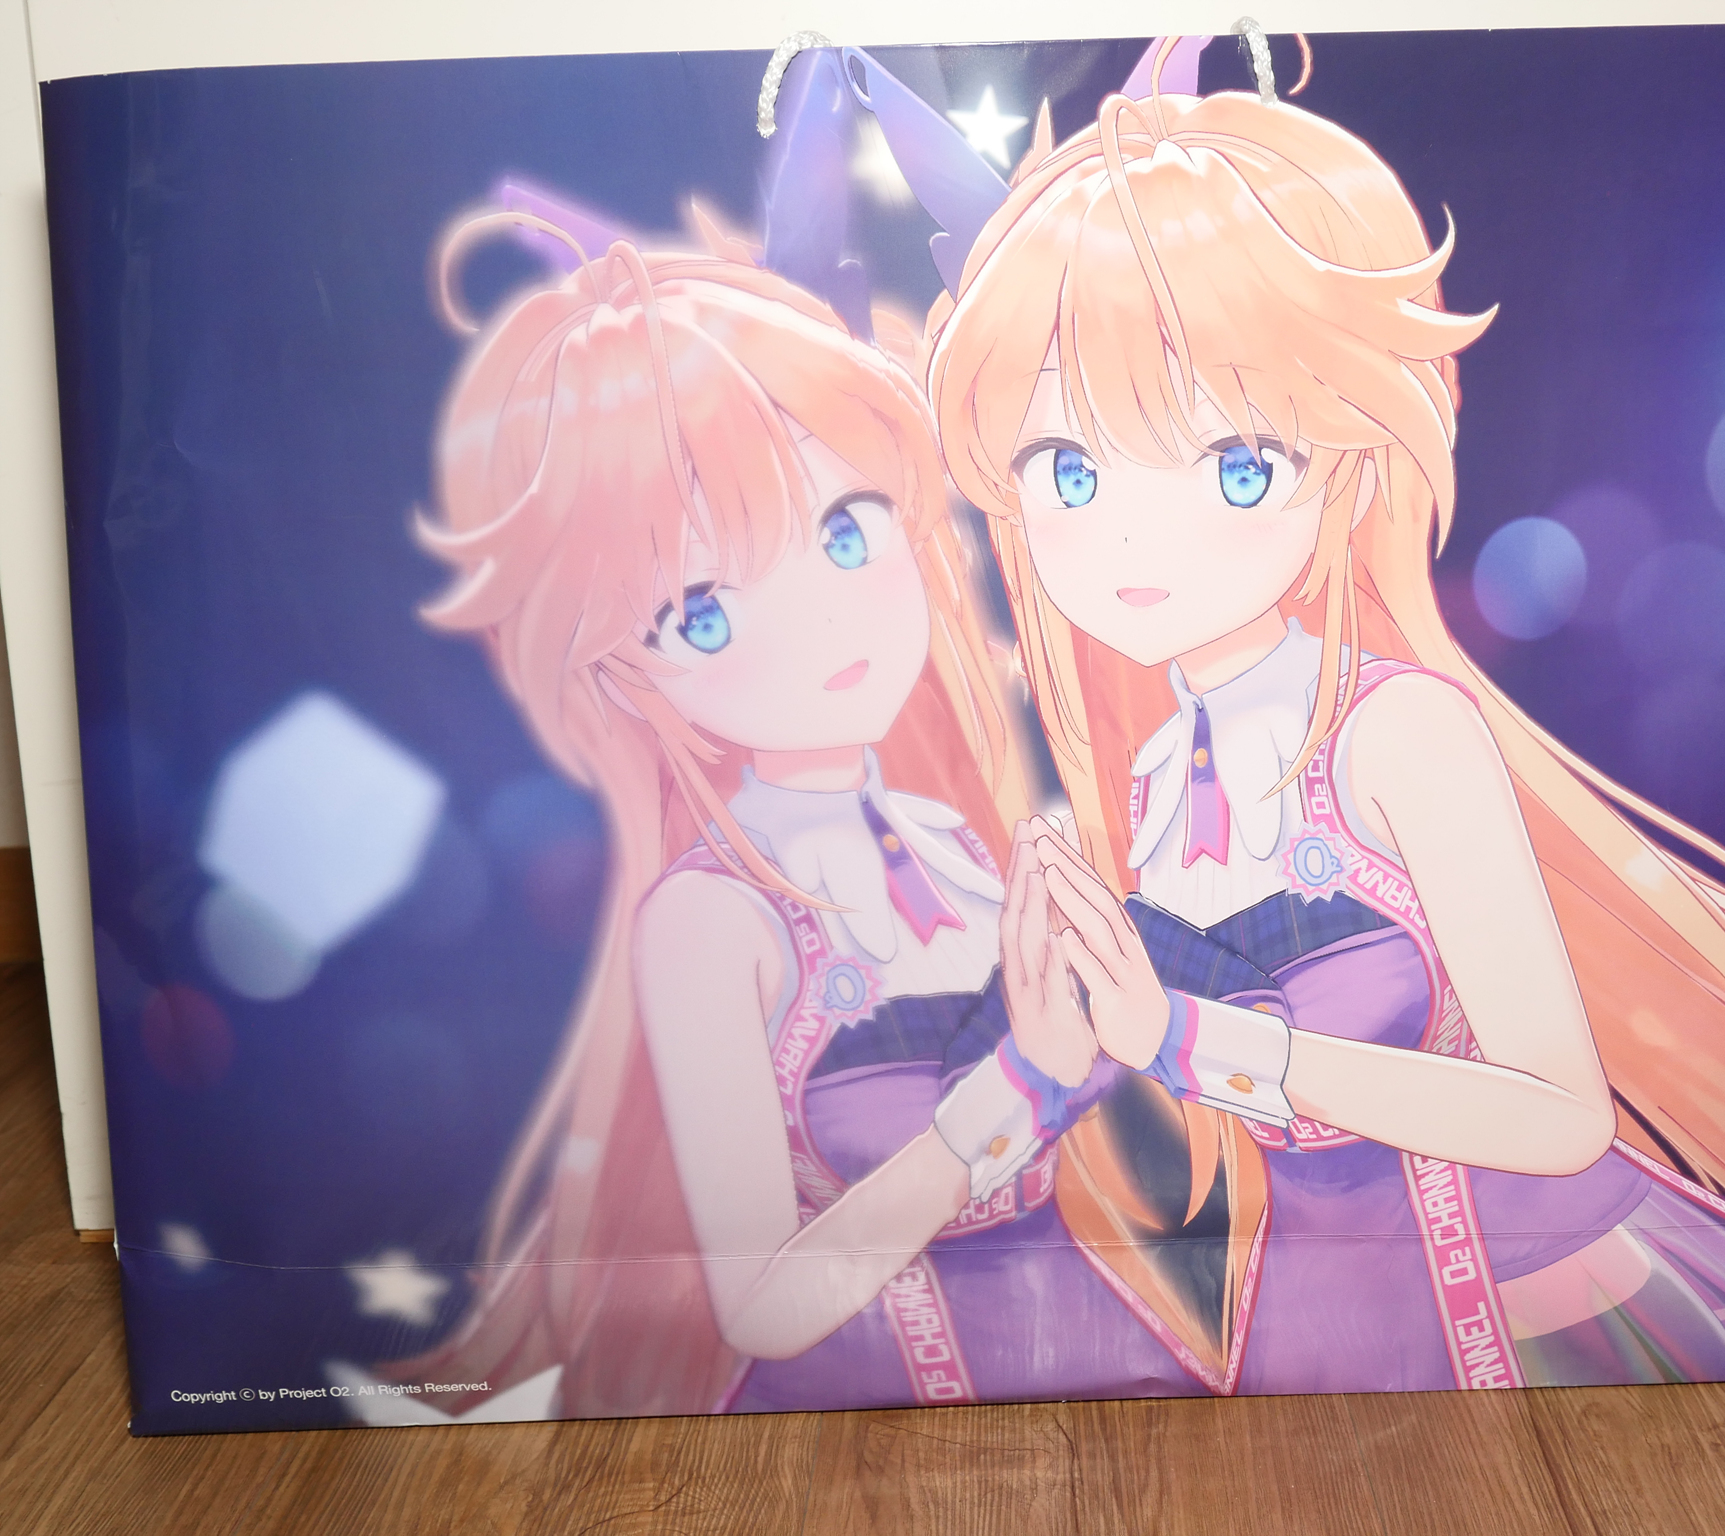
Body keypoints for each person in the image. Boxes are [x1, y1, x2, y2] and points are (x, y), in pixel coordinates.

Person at [896, 39, 1725, 1392]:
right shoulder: (1154, 774)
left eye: (1233, 462)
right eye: (1069, 470)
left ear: (1346, 462)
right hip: (1320, 1321)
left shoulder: (1396, 734)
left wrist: (1197, 1041)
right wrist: (1059, 1048)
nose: (1131, 536)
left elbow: (1559, 1115)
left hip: (1542, 1306)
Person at [385, 197, 1200, 1419]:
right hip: (849, 1430)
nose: (818, 616)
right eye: (703, 612)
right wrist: (1022, 1083)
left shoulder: (953, 844)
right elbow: (758, 1302)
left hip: (1085, 1369)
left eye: (844, 531)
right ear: (625, 669)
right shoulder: (707, 920)